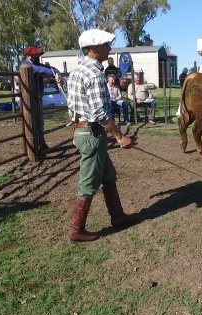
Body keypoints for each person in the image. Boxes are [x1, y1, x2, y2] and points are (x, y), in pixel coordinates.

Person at [66, 28, 135, 242]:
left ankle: (118, 216)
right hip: (92, 132)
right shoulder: (95, 74)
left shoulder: (78, 70)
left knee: (107, 175)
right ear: (93, 49)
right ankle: (76, 230)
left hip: (83, 130)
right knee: (89, 182)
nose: (109, 48)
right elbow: (99, 113)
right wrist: (119, 136)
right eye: (106, 45)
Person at [21, 47, 64, 151]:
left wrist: (56, 72)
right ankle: (34, 146)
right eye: (33, 56)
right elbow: (44, 70)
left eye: (37, 57)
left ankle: (41, 143)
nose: (35, 58)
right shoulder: (26, 65)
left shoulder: (35, 64)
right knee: (33, 122)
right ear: (28, 56)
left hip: (37, 96)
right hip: (29, 98)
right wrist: (54, 72)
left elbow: (51, 69)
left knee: (39, 122)